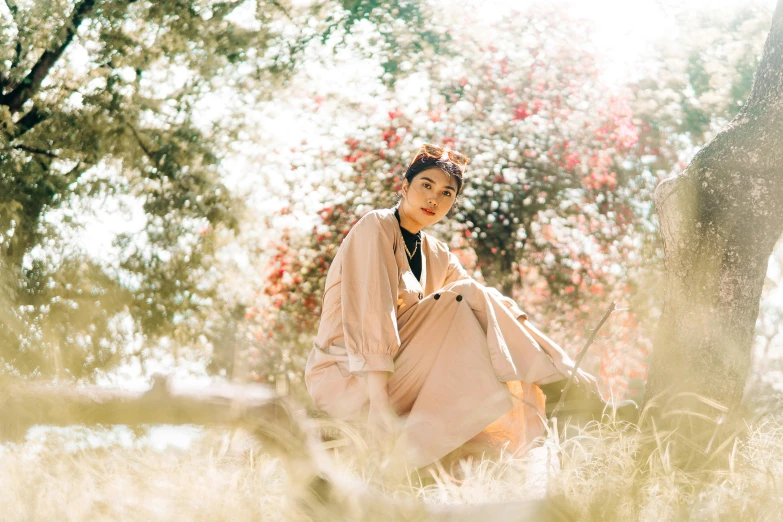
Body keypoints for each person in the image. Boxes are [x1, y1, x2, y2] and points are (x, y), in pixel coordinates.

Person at [304, 144, 633, 469]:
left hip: (402, 371)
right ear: (404, 187)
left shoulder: (437, 253)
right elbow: (371, 313)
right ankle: (567, 394)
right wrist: (377, 404)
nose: (434, 198)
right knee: (466, 294)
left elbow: (492, 306)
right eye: (426, 186)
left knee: (475, 300)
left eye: (447, 194)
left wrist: (564, 361)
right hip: (350, 377)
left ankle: (568, 389)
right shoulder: (376, 227)